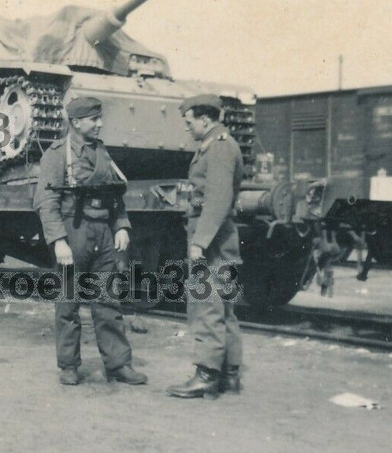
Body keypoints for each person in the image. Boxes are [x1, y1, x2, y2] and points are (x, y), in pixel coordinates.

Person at [34, 96, 147, 386]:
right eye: (93, 119)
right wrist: (58, 240)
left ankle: (118, 364)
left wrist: (122, 226)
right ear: (75, 122)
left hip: (104, 234)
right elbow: (46, 201)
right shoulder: (57, 154)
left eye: (100, 118)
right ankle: (69, 365)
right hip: (74, 232)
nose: (99, 124)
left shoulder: (102, 153)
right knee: (68, 303)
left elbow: (115, 194)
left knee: (108, 301)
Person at [166, 94, 245, 399]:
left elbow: (218, 198)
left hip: (211, 238)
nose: (187, 127)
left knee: (207, 303)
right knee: (223, 305)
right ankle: (229, 373)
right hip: (219, 237)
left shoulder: (220, 147)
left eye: (189, 121)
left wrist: (200, 241)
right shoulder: (217, 145)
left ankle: (207, 375)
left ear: (205, 119)